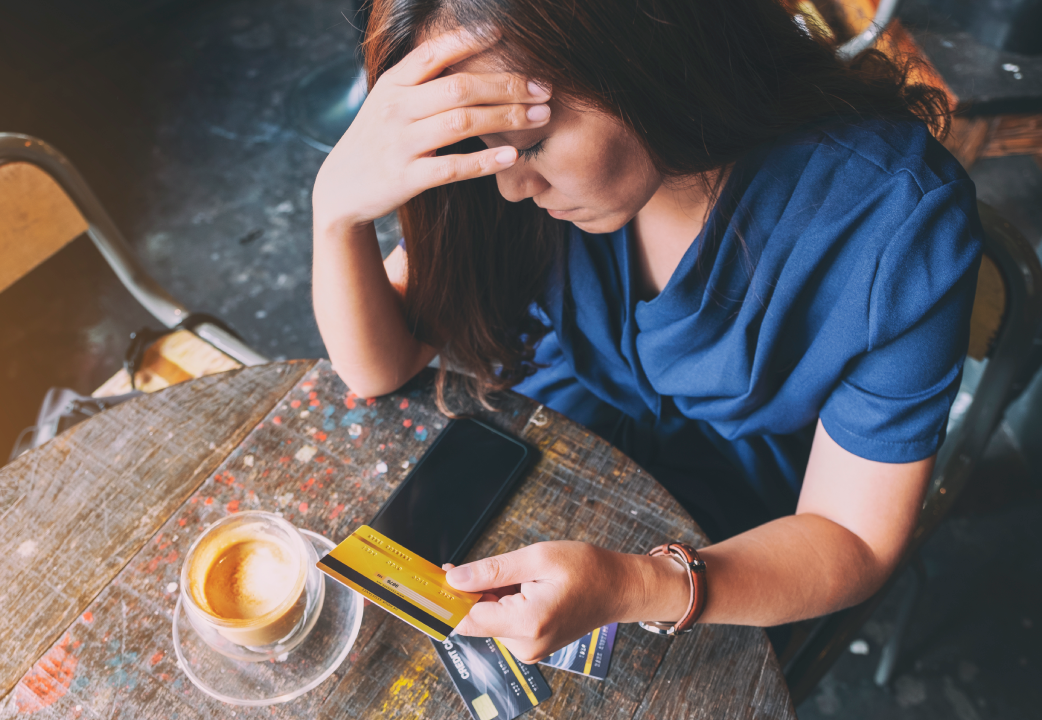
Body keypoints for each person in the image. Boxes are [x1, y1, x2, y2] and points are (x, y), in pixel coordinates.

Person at [311, 0, 981, 664]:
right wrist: (336, 214)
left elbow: (852, 538)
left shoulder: (894, 224)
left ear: (646, 52)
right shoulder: (499, 172)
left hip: (747, 547)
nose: (513, 187)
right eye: (485, 150)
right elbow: (379, 366)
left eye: (533, 144)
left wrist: (640, 585)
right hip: (552, 440)